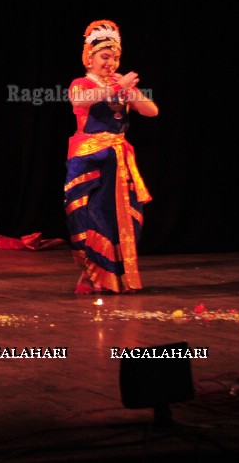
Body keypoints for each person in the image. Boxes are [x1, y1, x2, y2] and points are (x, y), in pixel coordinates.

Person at [65, 19, 158, 294]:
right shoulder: (81, 83)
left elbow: (151, 111)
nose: (111, 63)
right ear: (89, 58)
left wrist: (129, 89)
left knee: (122, 219)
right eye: (105, 57)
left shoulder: (120, 84)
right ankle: (91, 273)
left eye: (115, 58)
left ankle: (114, 276)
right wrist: (117, 88)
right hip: (88, 158)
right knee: (88, 215)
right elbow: (79, 101)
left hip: (118, 158)